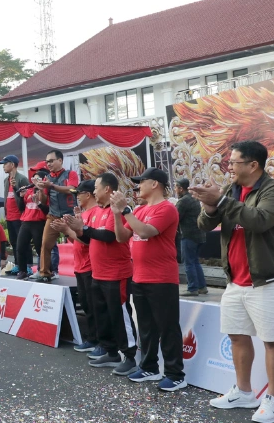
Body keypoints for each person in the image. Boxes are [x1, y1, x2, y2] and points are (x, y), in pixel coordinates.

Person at [192, 141, 274, 423]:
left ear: (253, 165)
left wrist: (221, 201)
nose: (229, 166)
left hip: (268, 278)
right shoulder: (230, 190)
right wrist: (211, 205)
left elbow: (259, 220)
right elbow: (203, 225)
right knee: (237, 335)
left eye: (234, 162)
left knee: (272, 340)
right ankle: (244, 392)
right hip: (235, 280)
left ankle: (273, 399)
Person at [110, 167, 187, 392]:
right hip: (140, 277)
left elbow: (145, 232)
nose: (138, 186)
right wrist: (117, 213)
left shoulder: (167, 208)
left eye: (141, 182)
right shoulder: (141, 210)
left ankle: (175, 374)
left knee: (167, 327)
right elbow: (121, 236)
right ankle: (150, 367)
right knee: (146, 327)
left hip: (162, 278)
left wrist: (125, 210)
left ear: (155, 184)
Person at [65, 173, 137, 375]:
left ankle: (130, 356)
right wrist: (78, 231)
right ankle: (110, 351)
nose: (94, 192)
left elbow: (108, 236)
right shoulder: (96, 211)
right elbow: (90, 240)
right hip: (98, 273)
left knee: (120, 316)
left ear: (107, 189)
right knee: (103, 316)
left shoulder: (119, 210)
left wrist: (84, 229)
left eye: (96, 188)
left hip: (116, 273)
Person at [51, 180, 98, 352]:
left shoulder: (95, 213)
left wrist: (67, 230)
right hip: (80, 266)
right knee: (86, 305)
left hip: (90, 266)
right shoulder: (83, 214)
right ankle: (93, 339)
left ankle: (97, 340)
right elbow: (75, 241)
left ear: (88, 194)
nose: (76, 197)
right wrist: (67, 231)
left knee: (93, 307)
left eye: (79, 193)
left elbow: (87, 240)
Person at [33, 150, 79, 282]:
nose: (49, 164)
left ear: (60, 160)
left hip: (69, 216)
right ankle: (44, 273)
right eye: (47, 162)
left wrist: (51, 186)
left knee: (80, 243)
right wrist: (41, 189)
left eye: (51, 161)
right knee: (46, 244)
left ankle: (88, 269)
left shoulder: (71, 173)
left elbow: (72, 189)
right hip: (53, 215)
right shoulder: (47, 178)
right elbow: (43, 200)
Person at [13, 165, 49, 280]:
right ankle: (22, 271)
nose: (34, 181)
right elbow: (21, 208)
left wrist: (38, 202)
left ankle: (45, 271)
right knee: (20, 247)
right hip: (26, 222)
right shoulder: (28, 191)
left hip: (38, 222)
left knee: (40, 249)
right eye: (33, 179)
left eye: (37, 179)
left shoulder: (45, 192)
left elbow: (47, 210)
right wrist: (20, 196)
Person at [175, 178, 208, 296]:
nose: (175, 190)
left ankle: (192, 288)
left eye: (176, 187)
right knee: (195, 262)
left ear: (180, 188)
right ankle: (202, 287)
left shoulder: (183, 201)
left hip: (188, 235)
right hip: (199, 234)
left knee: (188, 263)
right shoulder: (193, 198)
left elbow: (174, 218)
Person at [0, 155, 28, 275]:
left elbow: (26, 197)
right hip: (9, 217)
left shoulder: (22, 179)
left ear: (12, 164)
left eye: (5, 164)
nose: (3, 167)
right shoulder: (6, 180)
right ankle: (17, 265)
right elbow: (7, 198)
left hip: (20, 216)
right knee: (14, 242)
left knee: (22, 243)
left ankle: (25, 267)